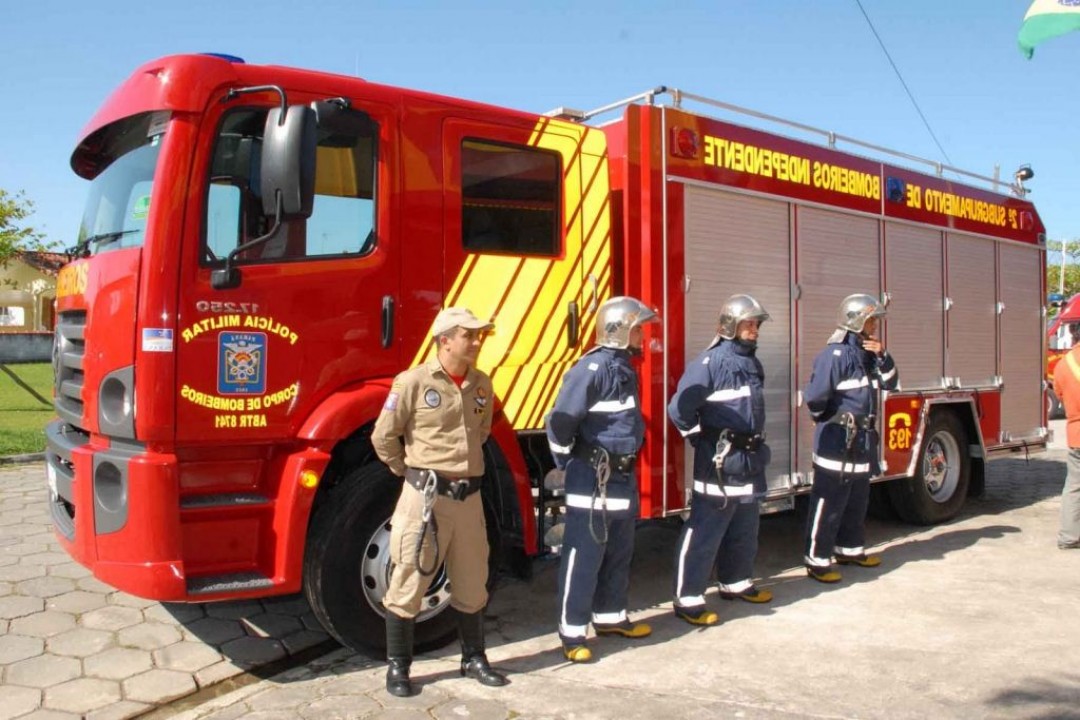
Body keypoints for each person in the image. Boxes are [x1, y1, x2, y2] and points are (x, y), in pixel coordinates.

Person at [372, 306, 509, 697]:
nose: (477, 342)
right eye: (469, 335)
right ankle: (398, 668)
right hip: (425, 501)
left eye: (479, 335)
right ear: (445, 339)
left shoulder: (482, 384)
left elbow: (480, 432)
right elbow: (384, 437)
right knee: (409, 579)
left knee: (471, 580)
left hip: (469, 501)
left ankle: (474, 658)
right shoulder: (412, 382)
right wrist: (411, 474)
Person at [546, 296, 659, 663]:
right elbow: (560, 420)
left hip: (621, 477)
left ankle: (610, 617)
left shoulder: (624, 369)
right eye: (638, 329)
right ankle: (572, 631)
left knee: (619, 550)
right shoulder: (592, 369)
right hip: (592, 478)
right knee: (584, 554)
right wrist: (567, 460)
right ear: (620, 330)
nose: (644, 336)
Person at [668, 294, 773, 626]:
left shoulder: (752, 363)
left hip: (748, 459)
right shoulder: (710, 364)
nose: (754, 330)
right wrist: (702, 439)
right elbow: (678, 410)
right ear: (730, 326)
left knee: (745, 524)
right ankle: (688, 598)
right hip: (719, 462)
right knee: (705, 530)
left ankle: (736, 582)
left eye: (756, 324)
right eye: (748, 324)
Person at [803, 293, 899, 583]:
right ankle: (817, 559)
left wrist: (883, 356)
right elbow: (816, 398)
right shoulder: (835, 356)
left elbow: (891, 383)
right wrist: (831, 421)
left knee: (857, 497)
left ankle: (850, 548)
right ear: (856, 321)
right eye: (871, 321)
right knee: (829, 500)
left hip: (862, 440)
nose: (875, 326)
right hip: (837, 438)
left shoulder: (869, 355)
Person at [1052, 321, 1080, 550]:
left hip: (1075, 434)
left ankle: (1069, 537)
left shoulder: (1063, 364)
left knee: (1074, 487)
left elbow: (1059, 393)